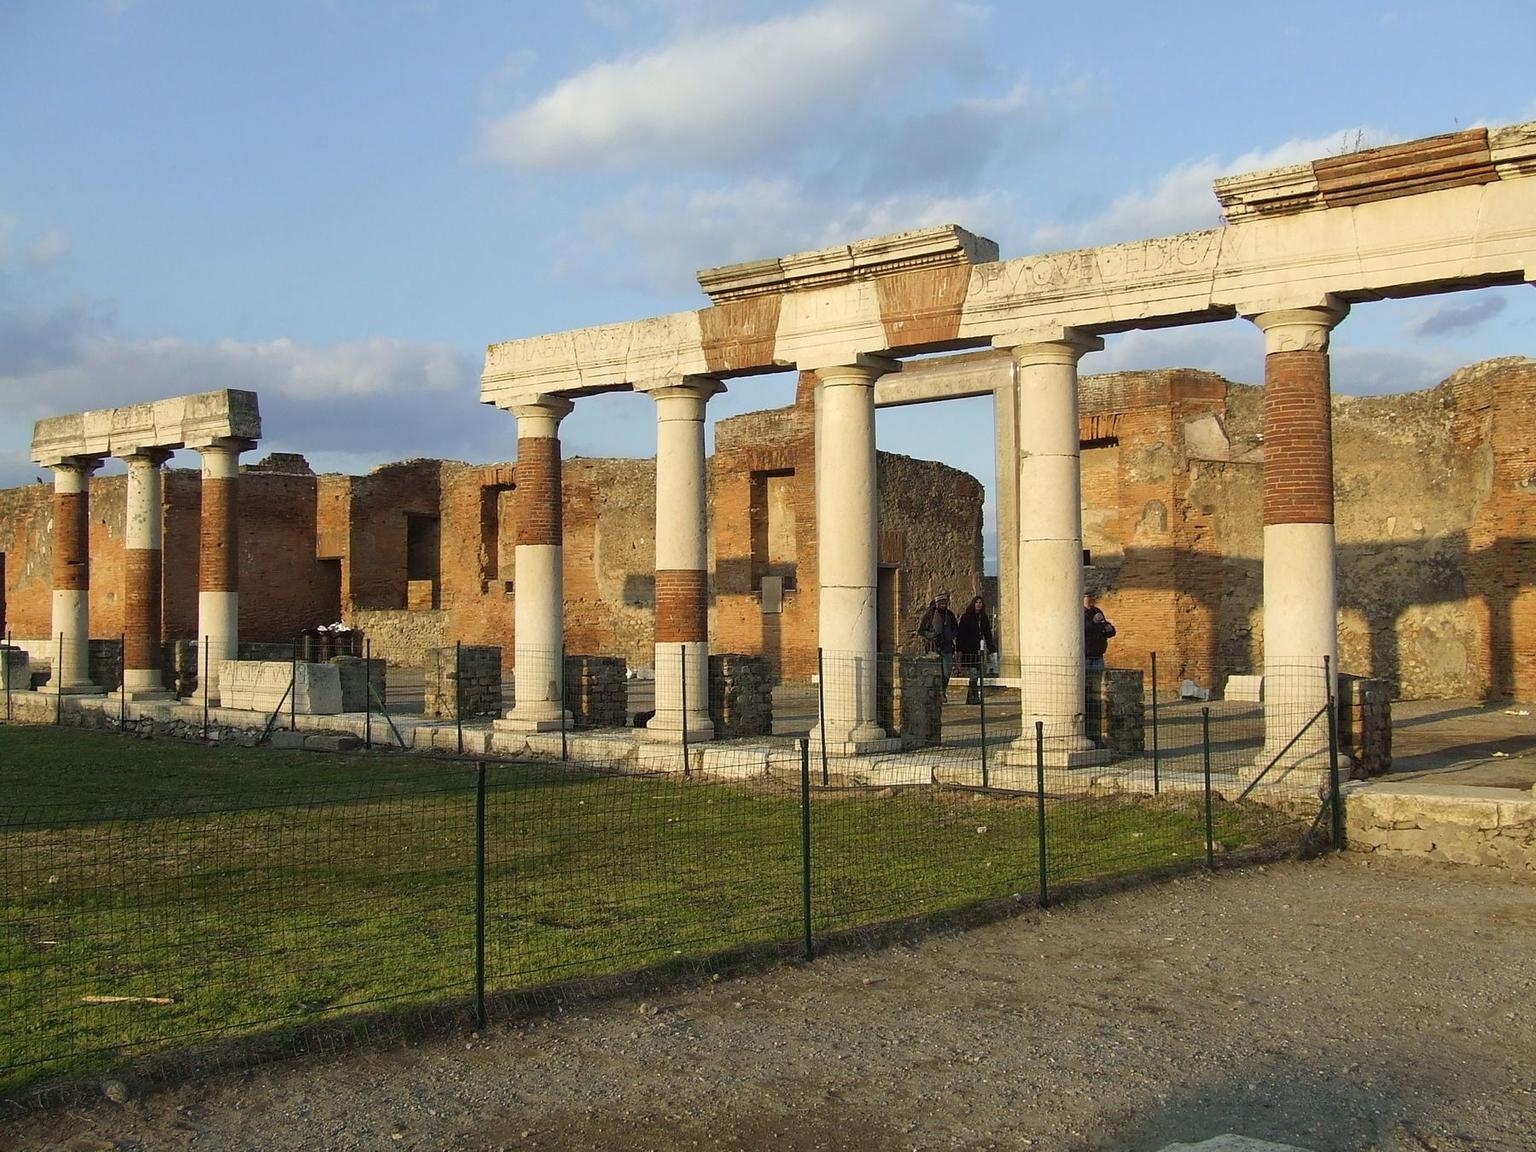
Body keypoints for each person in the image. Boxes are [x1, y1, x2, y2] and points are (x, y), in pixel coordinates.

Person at [955, 594, 995, 705]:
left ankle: (972, 696)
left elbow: (987, 634)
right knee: (973, 673)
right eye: (977, 602)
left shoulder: (984, 618)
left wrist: (992, 649)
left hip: (979, 649)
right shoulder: (966, 617)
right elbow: (961, 635)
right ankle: (973, 696)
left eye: (980, 603)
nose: (979, 605)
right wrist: (959, 650)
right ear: (974, 604)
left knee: (978, 673)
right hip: (969, 649)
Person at [918, 592, 960, 696]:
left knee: (947, 672)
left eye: (945, 603)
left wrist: (950, 636)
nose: (943, 605)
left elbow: (955, 629)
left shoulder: (950, 615)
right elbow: (921, 630)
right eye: (941, 603)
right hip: (933, 647)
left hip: (947, 647)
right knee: (935, 672)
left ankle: (943, 691)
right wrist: (932, 635)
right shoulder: (929, 615)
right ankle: (937, 693)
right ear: (937, 604)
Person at [1083, 591, 1116, 671]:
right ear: (1082, 598)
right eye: (1089, 597)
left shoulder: (1097, 611)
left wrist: (1110, 629)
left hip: (1098, 655)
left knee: (1097, 680)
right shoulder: (1078, 612)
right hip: (1085, 656)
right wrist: (1094, 622)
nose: (1092, 599)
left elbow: (1103, 624)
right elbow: (1083, 629)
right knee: (1085, 681)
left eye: (1093, 596)